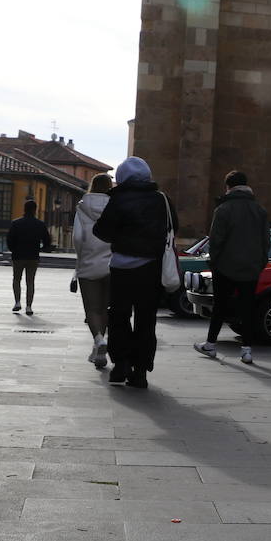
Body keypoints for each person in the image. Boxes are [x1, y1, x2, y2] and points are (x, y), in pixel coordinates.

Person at [93, 156, 177, 389]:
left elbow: (102, 231)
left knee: (118, 316)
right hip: (151, 268)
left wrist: (121, 237)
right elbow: (174, 227)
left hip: (121, 268)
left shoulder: (118, 199)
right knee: (146, 320)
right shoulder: (162, 199)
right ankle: (140, 371)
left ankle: (121, 365)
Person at [194, 170, 270, 365]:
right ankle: (247, 351)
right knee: (247, 308)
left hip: (225, 266)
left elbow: (216, 240)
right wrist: (260, 263)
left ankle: (211, 344)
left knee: (220, 306)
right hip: (251, 267)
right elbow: (266, 241)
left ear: (228, 186)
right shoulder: (259, 210)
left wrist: (214, 262)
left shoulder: (223, 209)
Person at [73, 173, 113, 368]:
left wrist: (81, 258)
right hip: (112, 263)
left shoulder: (82, 207)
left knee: (92, 308)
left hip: (88, 262)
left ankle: (98, 340)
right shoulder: (116, 207)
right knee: (105, 307)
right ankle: (100, 350)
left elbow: (78, 237)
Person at [7, 199, 51, 314]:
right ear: (35, 210)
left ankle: (17, 302)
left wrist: (14, 250)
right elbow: (47, 241)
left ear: (24, 209)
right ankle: (29, 306)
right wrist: (41, 248)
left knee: (17, 279)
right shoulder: (40, 224)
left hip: (18, 256)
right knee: (30, 281)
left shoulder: (15, 223)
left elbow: (9, 240)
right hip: (33, 256)